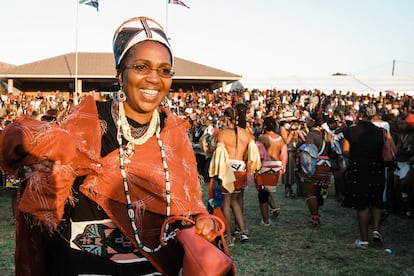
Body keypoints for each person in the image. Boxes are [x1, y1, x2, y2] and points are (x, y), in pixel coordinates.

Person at [0, 16, 234, 275]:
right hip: (86, 267)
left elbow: (187, 205)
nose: (154, 78)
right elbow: (25, 140)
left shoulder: (173, 133)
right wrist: (45, 158)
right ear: (120, 74)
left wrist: (201, 221)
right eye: (142, 67)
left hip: (155, 267)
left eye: (164, 70)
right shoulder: (89, 121)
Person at [209, 106, 261, 246]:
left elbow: (216, 152)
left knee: (227, 203)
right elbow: (250, 153)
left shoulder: (223, 134)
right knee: (235, 201)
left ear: (226, 117)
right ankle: (243, 231)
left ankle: (229, 236)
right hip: (241, 169)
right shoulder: (247, 134)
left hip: (228, 170)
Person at [341, 104, 386, 248]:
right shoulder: (381, 132)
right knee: (377, 201)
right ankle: (376, 230)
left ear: (360, 114)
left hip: (359, 169)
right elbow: (389, 149)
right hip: (377, 168)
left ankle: (364, 240)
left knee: (362, 205)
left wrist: (357, 154)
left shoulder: (352, 131)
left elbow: (345, 151)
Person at [298, 117, 332, 226]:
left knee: (310, 192)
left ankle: (315, 217)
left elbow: (308, 153)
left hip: (315, 166)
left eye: (307, 120)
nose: (305, 123)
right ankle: (318, 209)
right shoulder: (325, 135)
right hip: (326, 165)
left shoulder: (311, 135)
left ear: (313, 122)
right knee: (321, 190)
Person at [255, 116, 288, 226]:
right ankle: (274, 208)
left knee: (262, 192)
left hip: (264, 166)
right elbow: (284, 154)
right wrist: (283, 166)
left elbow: (258, 155)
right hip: (276, 166)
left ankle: (265, 220)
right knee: (266, 189)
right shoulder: (280, 138)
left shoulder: (261, 138)